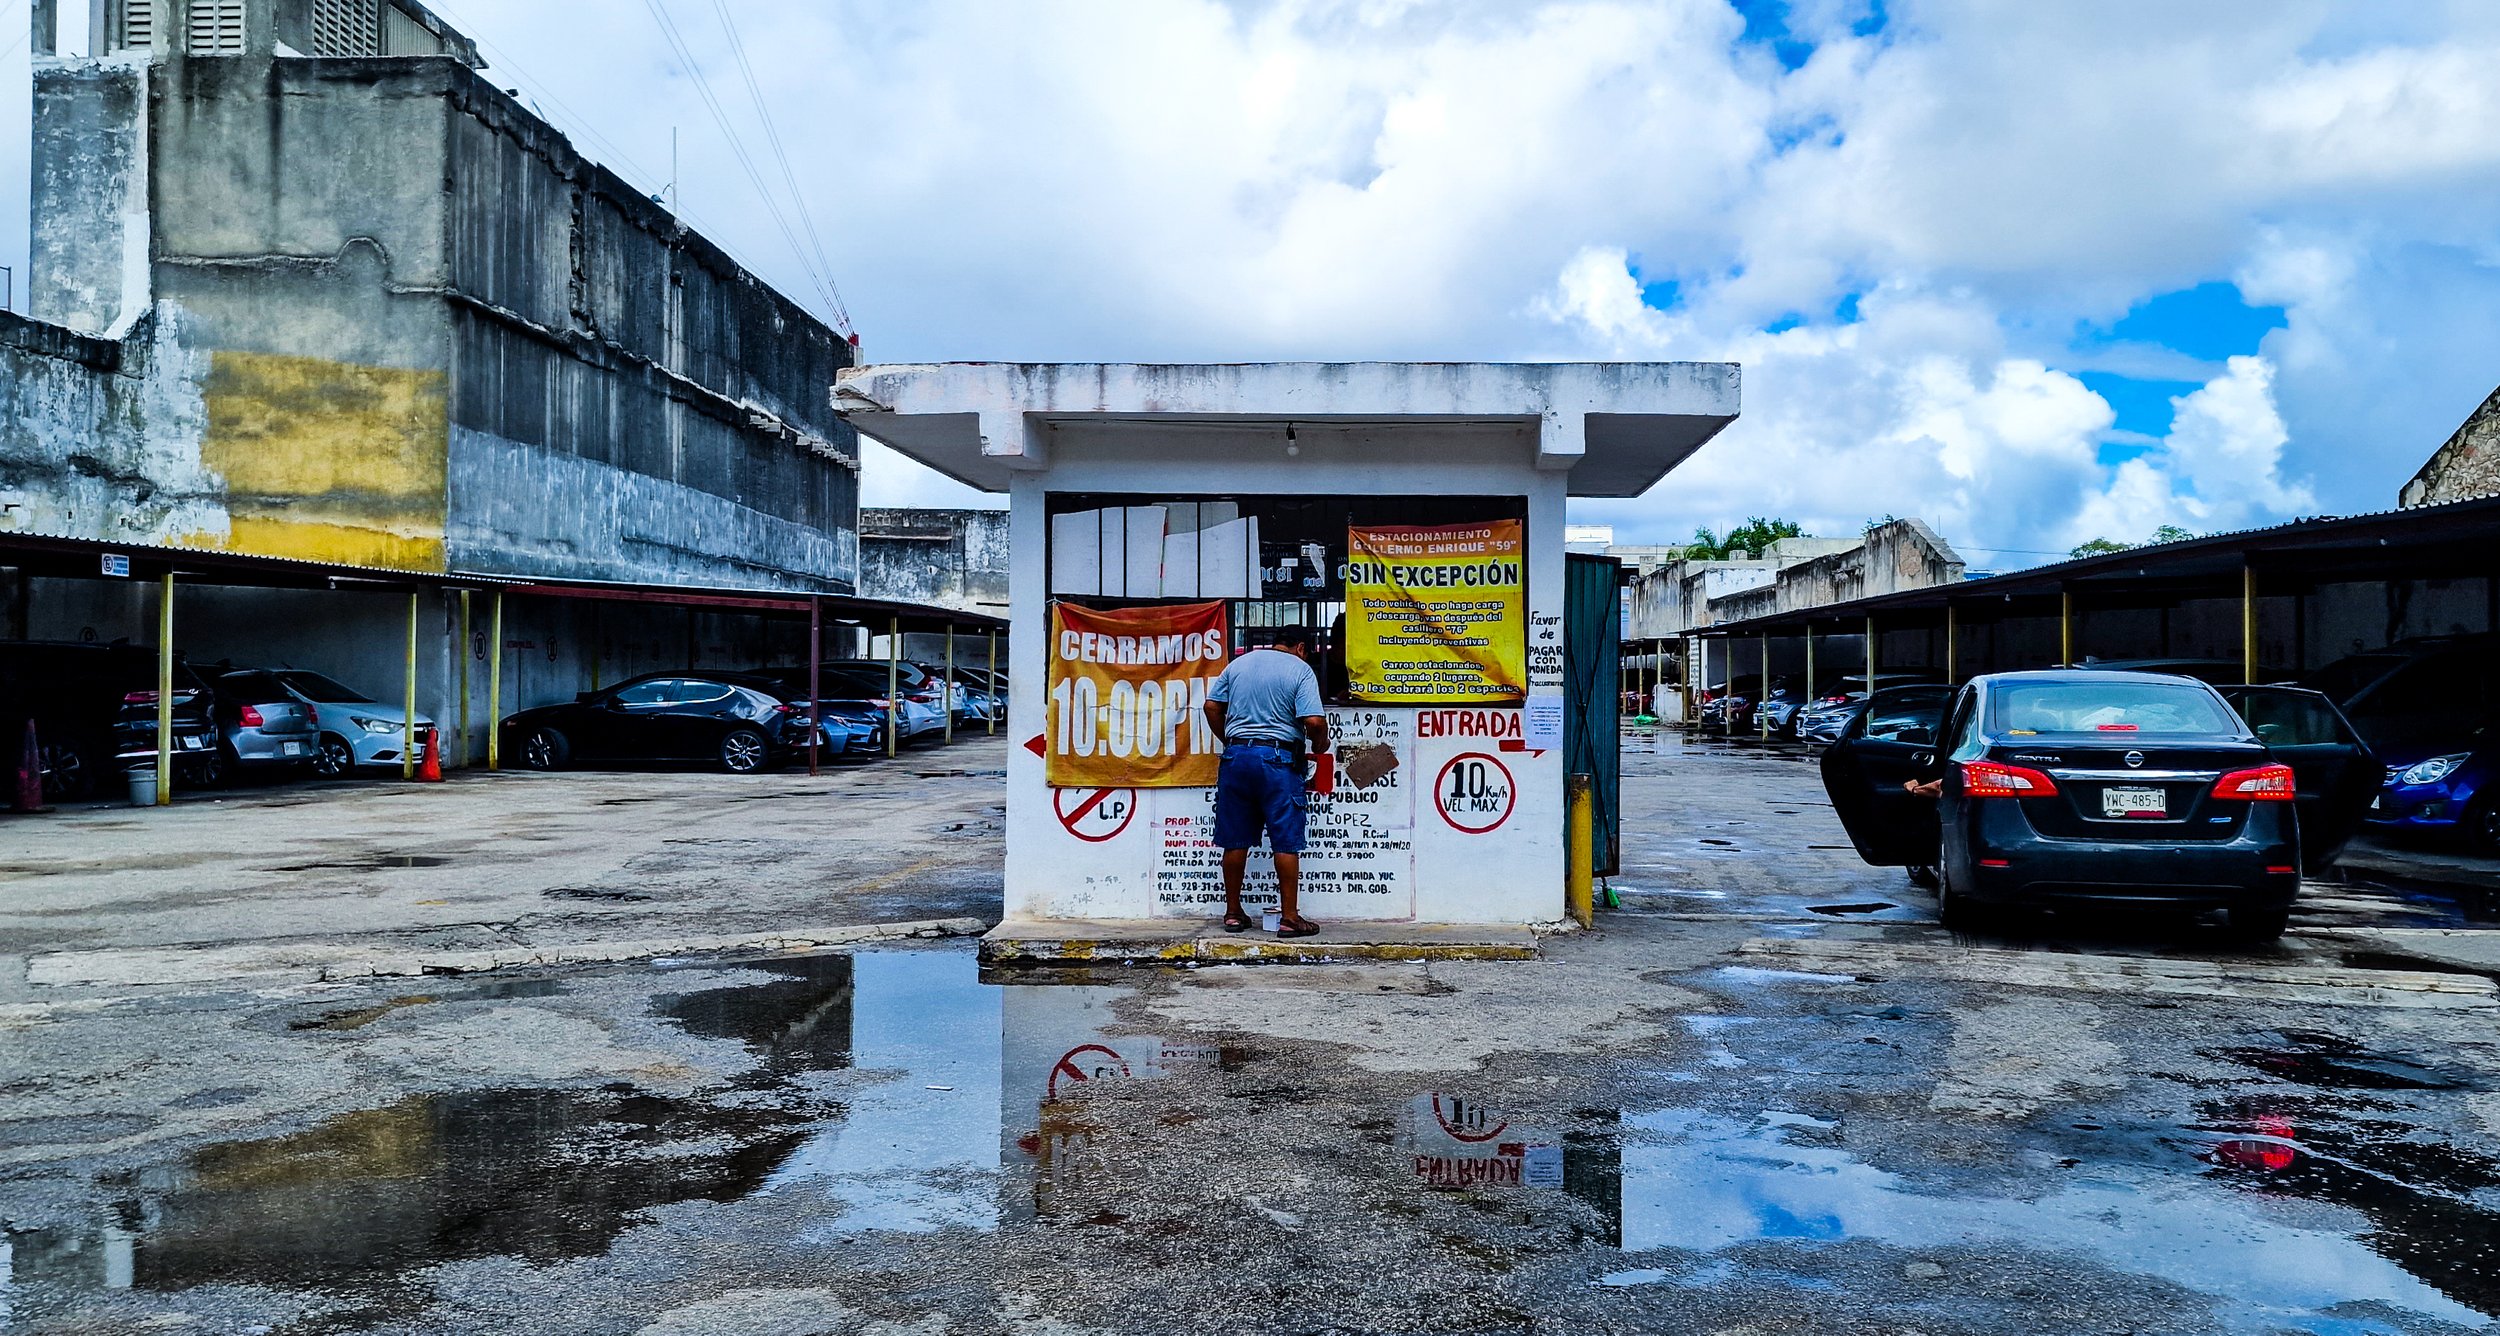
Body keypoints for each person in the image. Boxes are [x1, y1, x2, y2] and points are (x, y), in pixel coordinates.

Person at [1203, 626, 1329, 938]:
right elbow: (1314, 721)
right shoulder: (1300, 669)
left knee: (1235, 840)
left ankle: (1233, 913)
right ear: (1301, 648)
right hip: (1277, 761)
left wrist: (1229, 739)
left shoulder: (1239, 664)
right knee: (1285, 840)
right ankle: (1290, 918)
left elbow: (1211, 706)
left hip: (1236, 758)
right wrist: (1320, 743)